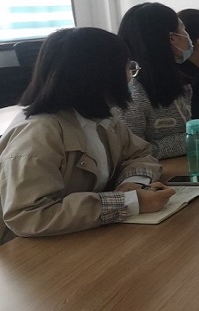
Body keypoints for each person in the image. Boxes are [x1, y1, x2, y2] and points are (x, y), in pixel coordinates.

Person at [0, 27, 175, 245]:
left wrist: (133, 183)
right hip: (29, 250)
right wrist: (127, 202)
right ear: (101, 75)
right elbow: (29, 215)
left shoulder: (102, 118)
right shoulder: (38, 134)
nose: (131, 76)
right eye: (128, 67)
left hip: (83, 236)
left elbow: (139, 153)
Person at [116, 2, 199, 159]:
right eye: (183, 29)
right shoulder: (134, 94)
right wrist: (190, 141)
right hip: (158, 173)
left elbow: (178, 129)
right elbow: (131, 153)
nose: (187, 36)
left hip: (182, 165)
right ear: (172, 38)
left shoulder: (178, 81)